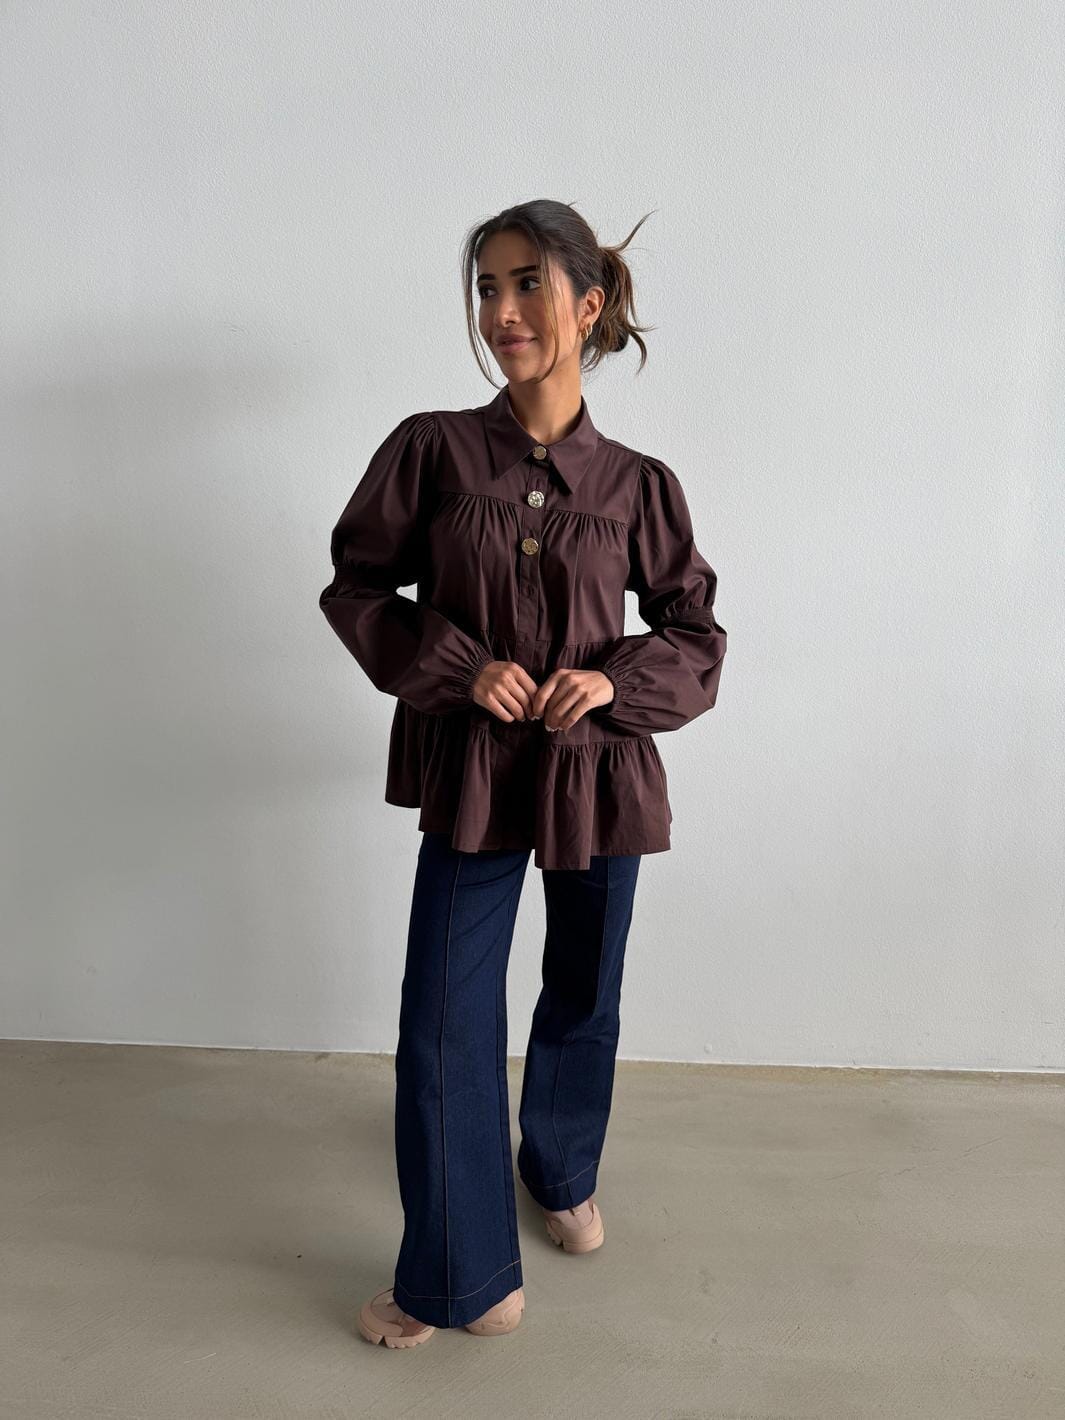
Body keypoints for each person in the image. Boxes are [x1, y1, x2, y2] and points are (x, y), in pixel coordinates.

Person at [318, 200, 728, 1347]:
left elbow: (696, 635)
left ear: (588, 306)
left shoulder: (640, 486)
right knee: (447, 1016)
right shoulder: (432, 450)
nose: (502, 312)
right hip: (478, 774)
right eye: (487, 288)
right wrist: (460, 667)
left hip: (602, 777)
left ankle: (561, 1167)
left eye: (527, 285)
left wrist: (611, 682)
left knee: (585, 987)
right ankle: (463, 1278)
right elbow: (358, 588)